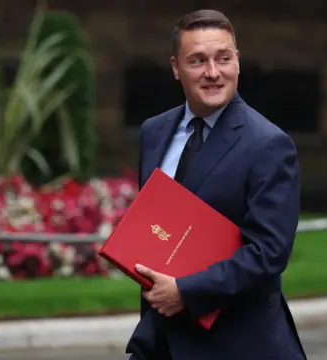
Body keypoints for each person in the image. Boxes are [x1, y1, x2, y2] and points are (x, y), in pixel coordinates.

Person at [125, 9, 307, 360]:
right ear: (176, 67)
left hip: (238, 345)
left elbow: (268, 252)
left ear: (237, 61)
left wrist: (186, 291)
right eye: (197, 61)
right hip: (161, 342)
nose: (213, 73)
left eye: (223, 59)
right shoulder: (154, 132)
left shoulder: (269, 144)